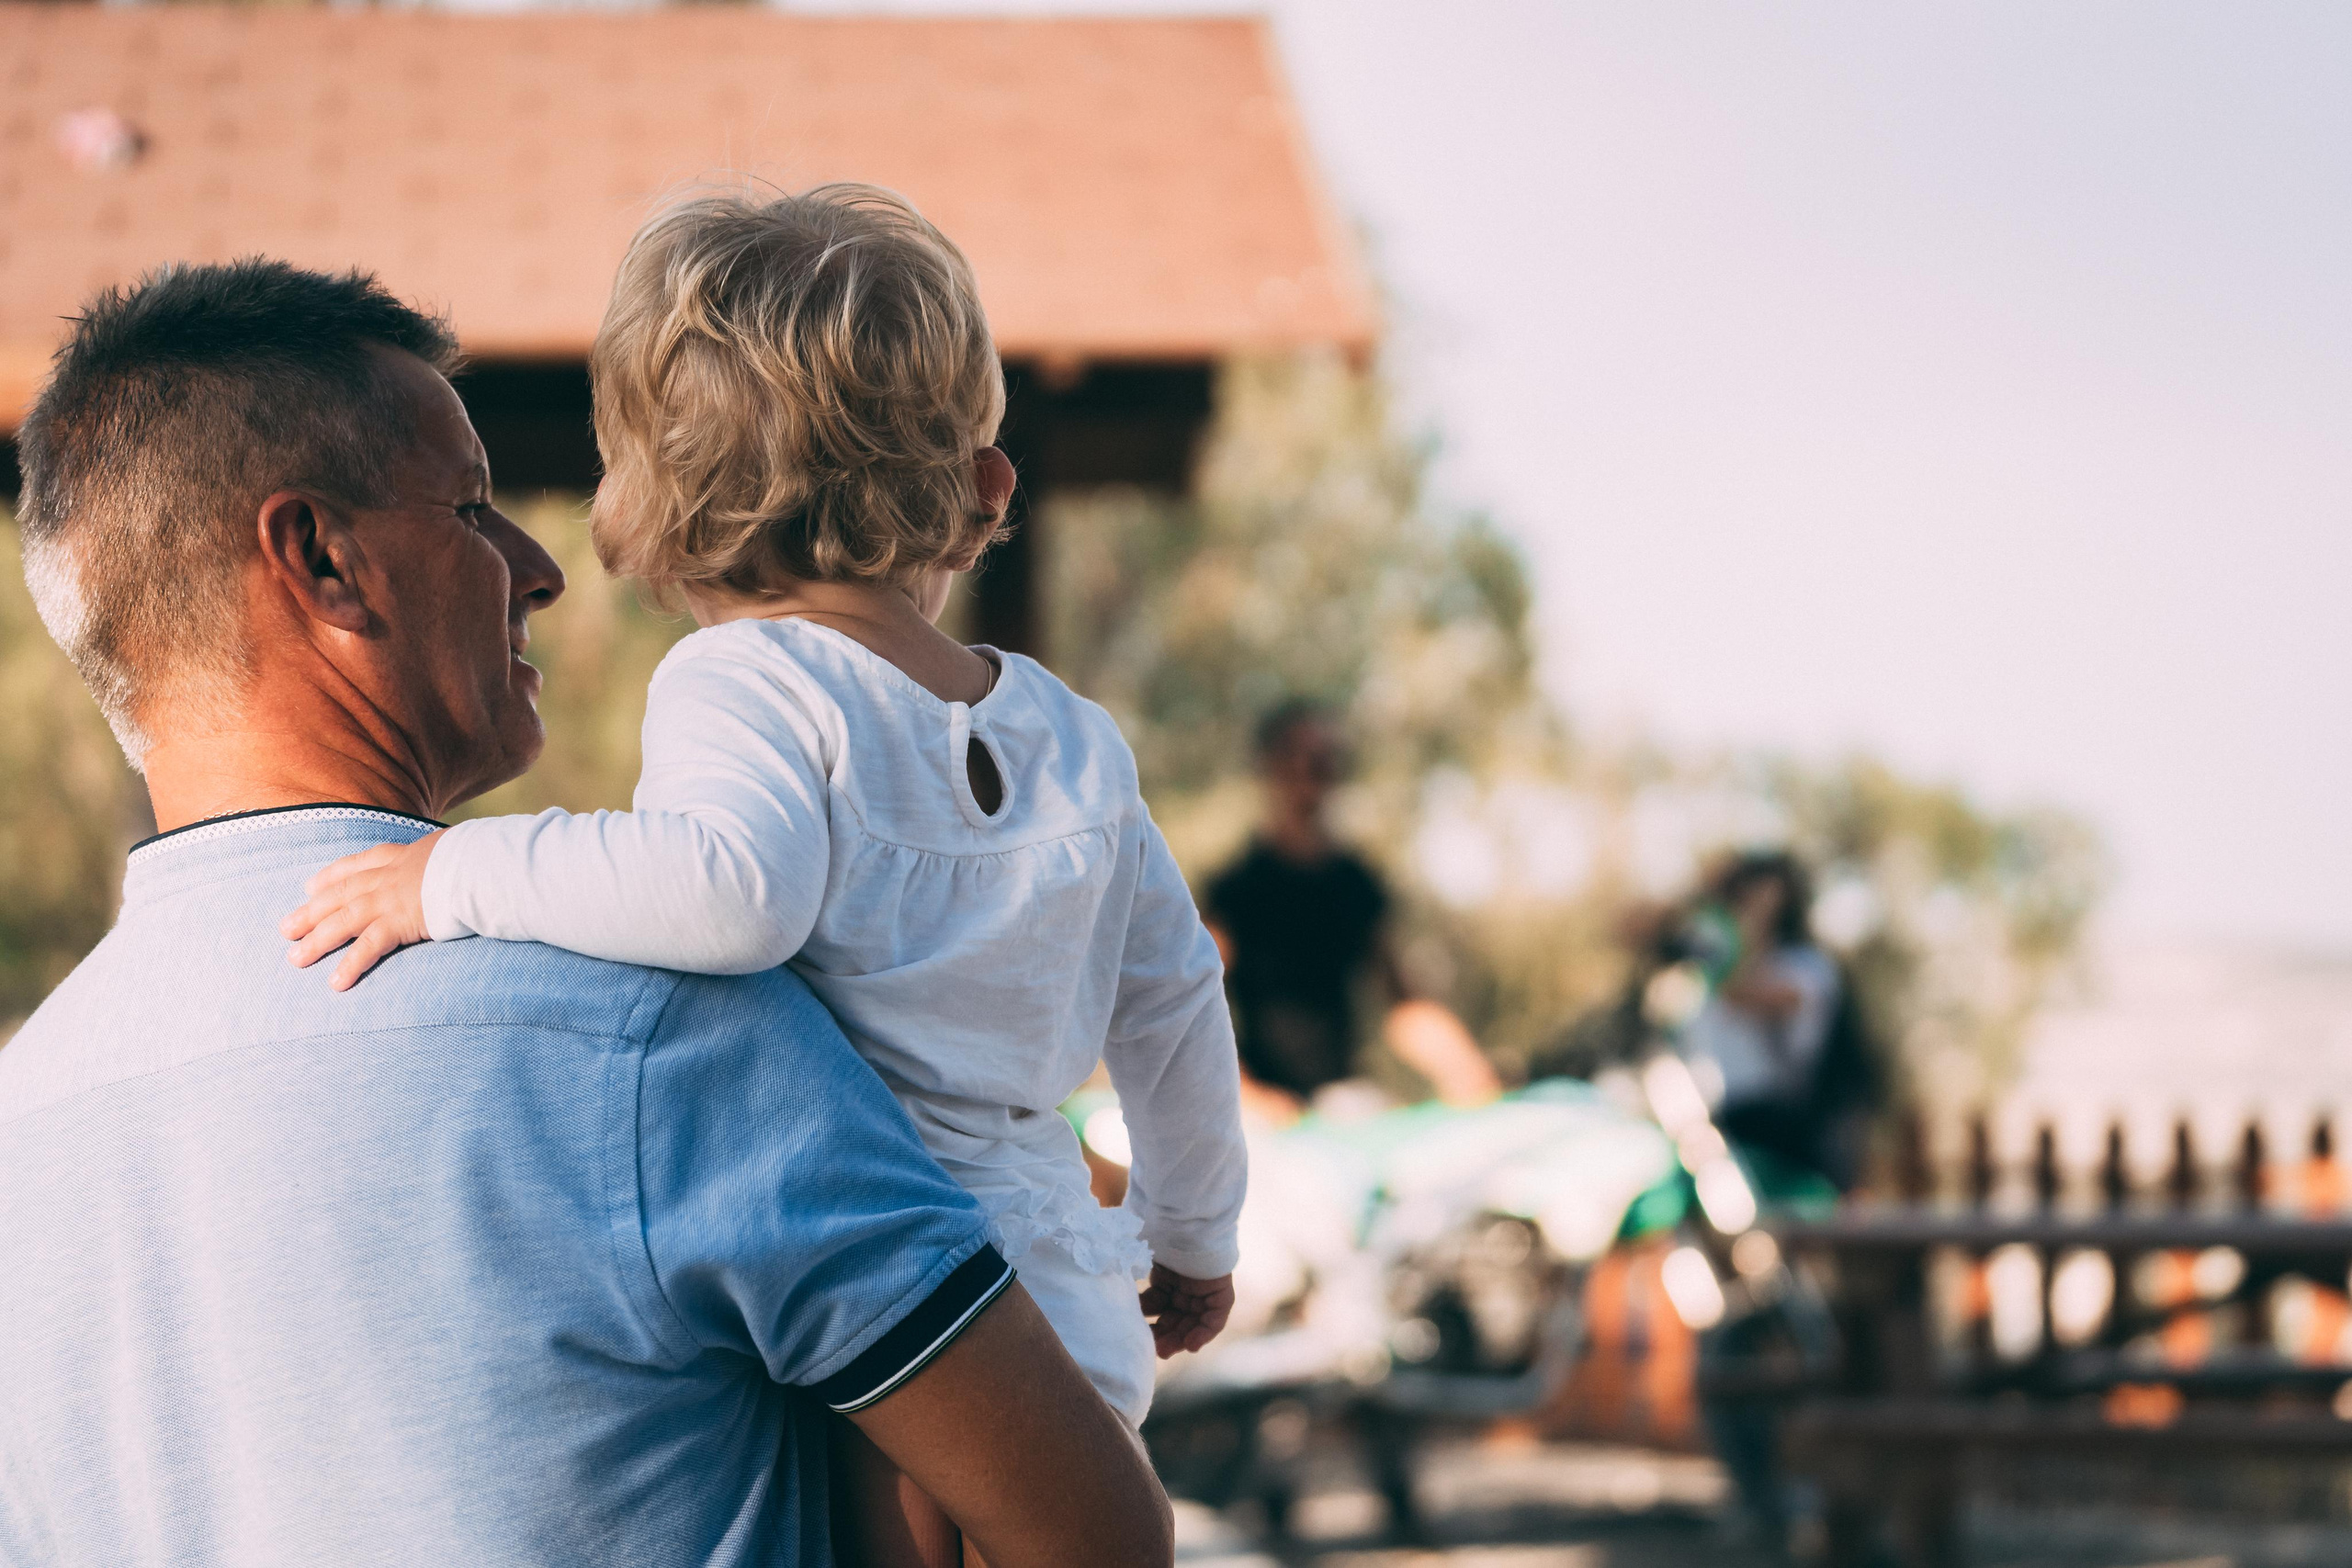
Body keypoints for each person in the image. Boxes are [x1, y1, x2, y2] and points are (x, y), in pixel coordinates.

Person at [0, 258, 1172, 1568]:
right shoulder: (660, 1031)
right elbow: (1096, 1529)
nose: (540, 566)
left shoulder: (23, 1115)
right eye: (474, 506)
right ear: (323, 556)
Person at [278, 187, 1246, 1568]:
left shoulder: (749, 677)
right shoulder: (1073, 739)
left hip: (889, 1290)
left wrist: (461, 873)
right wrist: (1197, 1232)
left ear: (653, 491)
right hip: (1066, 1281)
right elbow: (1172, 1009)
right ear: (988, 488)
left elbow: (728, 889)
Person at [1203, 700, 1499, 1119]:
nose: (1316, 770)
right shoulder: (1235, 890)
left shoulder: (1356, 885)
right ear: (1270, 766)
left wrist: (1468, 1069)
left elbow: (1405, 1007)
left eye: (1328, 759)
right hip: (1256, 1119)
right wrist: (1244, 1092)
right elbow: (1194, 1006)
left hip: (1340, 1109)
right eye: (1302, 756)